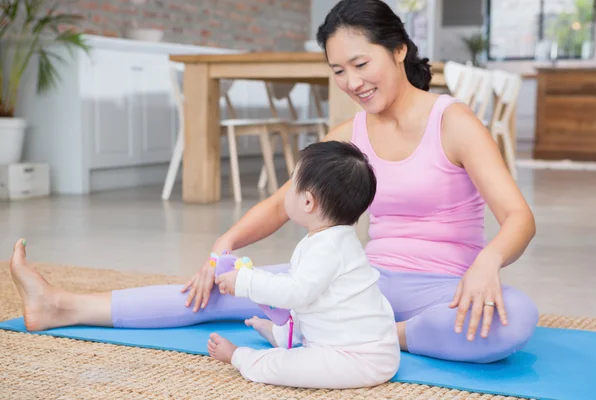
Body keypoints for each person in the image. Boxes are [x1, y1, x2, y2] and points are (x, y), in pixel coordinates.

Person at [9, 0, 538, 364]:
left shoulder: (453, 121)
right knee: (226, 289)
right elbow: (284, 202)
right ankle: (64, 306)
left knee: (514, 319)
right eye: (338, 71)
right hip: (360, 278)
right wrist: (226, 246)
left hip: (441, 290)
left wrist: (486, 263)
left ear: (398, 49)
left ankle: (360, 336)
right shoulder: (348, 133)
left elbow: (519, 218)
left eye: (361, 63)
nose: (352, 82)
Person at [207, 141, 399, 389]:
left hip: (359, 359)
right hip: (348, 342)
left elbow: (297, 292)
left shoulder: (327, 248)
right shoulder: (332, 239)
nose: (286, 192)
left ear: (307, 202)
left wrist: (245, 281)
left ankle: (241, 357)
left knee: (286, 366)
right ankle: (281, 334)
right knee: (308, 310)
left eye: (291, 183)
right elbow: (308, 300)